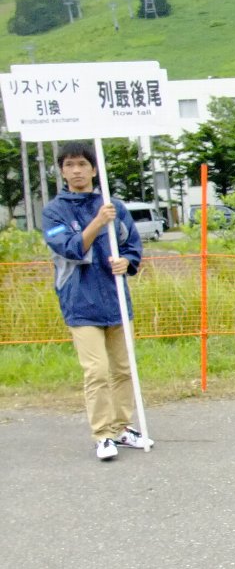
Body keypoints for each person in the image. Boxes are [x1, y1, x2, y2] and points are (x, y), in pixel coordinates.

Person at [42, 141, 152, 461]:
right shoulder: (54, 211)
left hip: (116, 299)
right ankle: (103, 434)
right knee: (97, 371)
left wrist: (127, 263)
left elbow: (131, 245)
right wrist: (97, 222)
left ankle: (122, 427)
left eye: (82, 164)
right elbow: (71, 249)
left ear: (94, 168)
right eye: (69, 165)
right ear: (62, 171)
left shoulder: (113, 205)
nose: (76, 171)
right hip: (80, 302)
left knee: (122, 368)